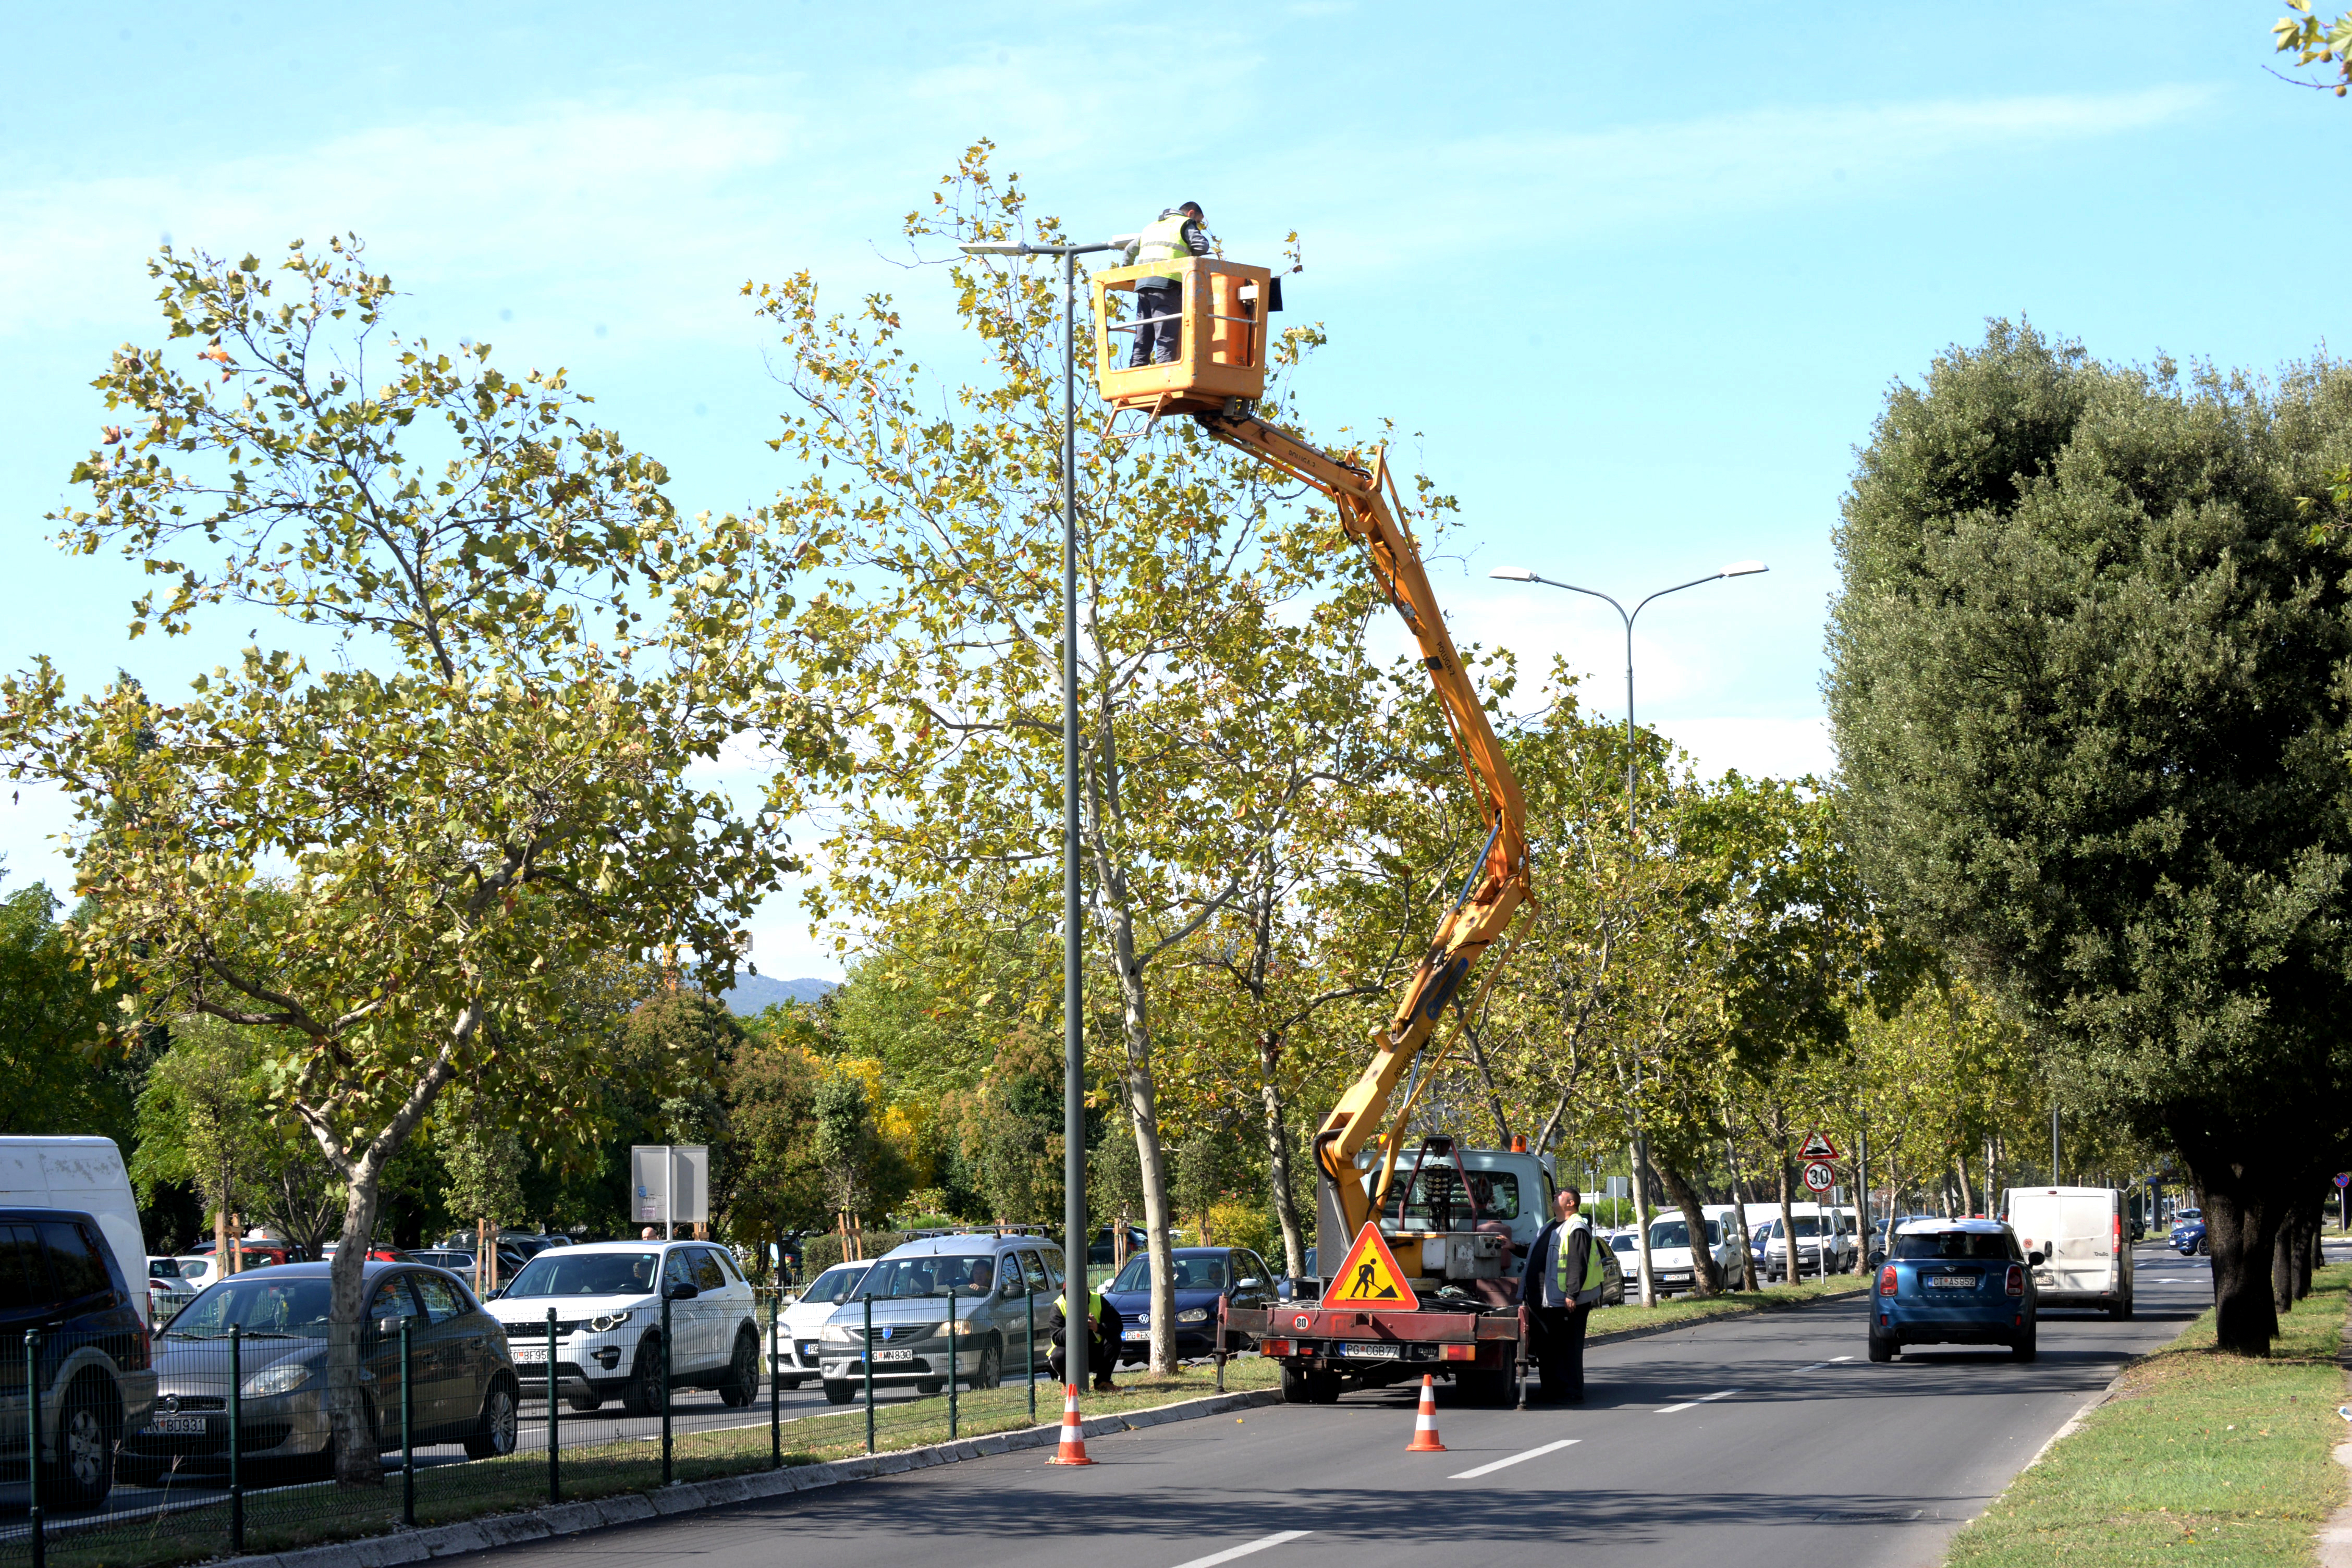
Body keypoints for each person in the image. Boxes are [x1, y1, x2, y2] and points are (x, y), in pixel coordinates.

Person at [1518, 1186, 1606, 1403]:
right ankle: (1550, 1390)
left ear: (1571, 1203)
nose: (1556, 1195)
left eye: (1561, 1194)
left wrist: (1571, 1295)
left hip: (1564, 1301)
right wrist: (1512, 1247)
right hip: (1543, 1300)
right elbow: (1536, 1252)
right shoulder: (1550, 1226)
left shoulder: (1576, 1227)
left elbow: (1577, 1263)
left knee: (1568, 1348)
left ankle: (1571, 1392)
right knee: (1546, 1348)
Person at [1123, 202, 1211, 367]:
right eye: (1199, 222)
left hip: (1143, 285)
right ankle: (1165, 375)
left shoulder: (1152, 227)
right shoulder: (1185, 223)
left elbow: (1129, 250)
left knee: (1143, 334)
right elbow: (1202, 246)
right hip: (1167, 284)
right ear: (1191, 214)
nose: (1198, 226)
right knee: (1166, 335)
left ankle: (1136, 370)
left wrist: (1127, 273)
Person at [1049, 1280, 1122, 1392]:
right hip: (1070, 1353)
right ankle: (1068, 1384)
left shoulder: (1098, 1300)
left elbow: (1118, 1325)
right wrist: (1073, 1327)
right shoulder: (1059, 1306)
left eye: (1080, 1294)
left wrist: (1098, 1327)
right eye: (1070, 1294)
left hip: (1095, 1353)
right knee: (1058, 1355)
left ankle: (1103, 1382)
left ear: (1087, 1293)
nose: (1076, 1298)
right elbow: (1056, 1337)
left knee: (1115, 1340)